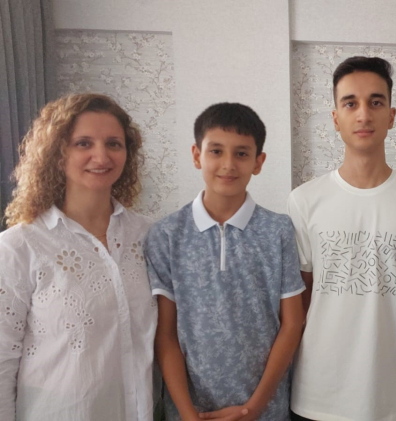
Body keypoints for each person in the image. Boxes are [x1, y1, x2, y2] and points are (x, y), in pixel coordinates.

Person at [287, 56, 396, 421]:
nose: (363, 115)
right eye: (350, 103)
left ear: (391, 115)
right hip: (316, 392)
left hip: (388, 394)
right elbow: (302, 296)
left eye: (375, 102)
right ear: (335, 118)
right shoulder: (304, 200)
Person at [0, 93, 157, 420]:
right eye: (83, 143)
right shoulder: (19, 247)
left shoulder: (148, 236)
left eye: (114, 144)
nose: (101, 156)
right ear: (57, 154)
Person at [145, 103, 305, 421]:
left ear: (258, 162)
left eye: (242, 153)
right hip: (191, 410)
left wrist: (253, 408)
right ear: (197, 155)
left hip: (265, 409)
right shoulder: (166, 234)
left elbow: (292, 324)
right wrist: (188, 414)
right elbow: (166, 335)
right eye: (216, 151)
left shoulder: (278, 230)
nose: (228, 164)